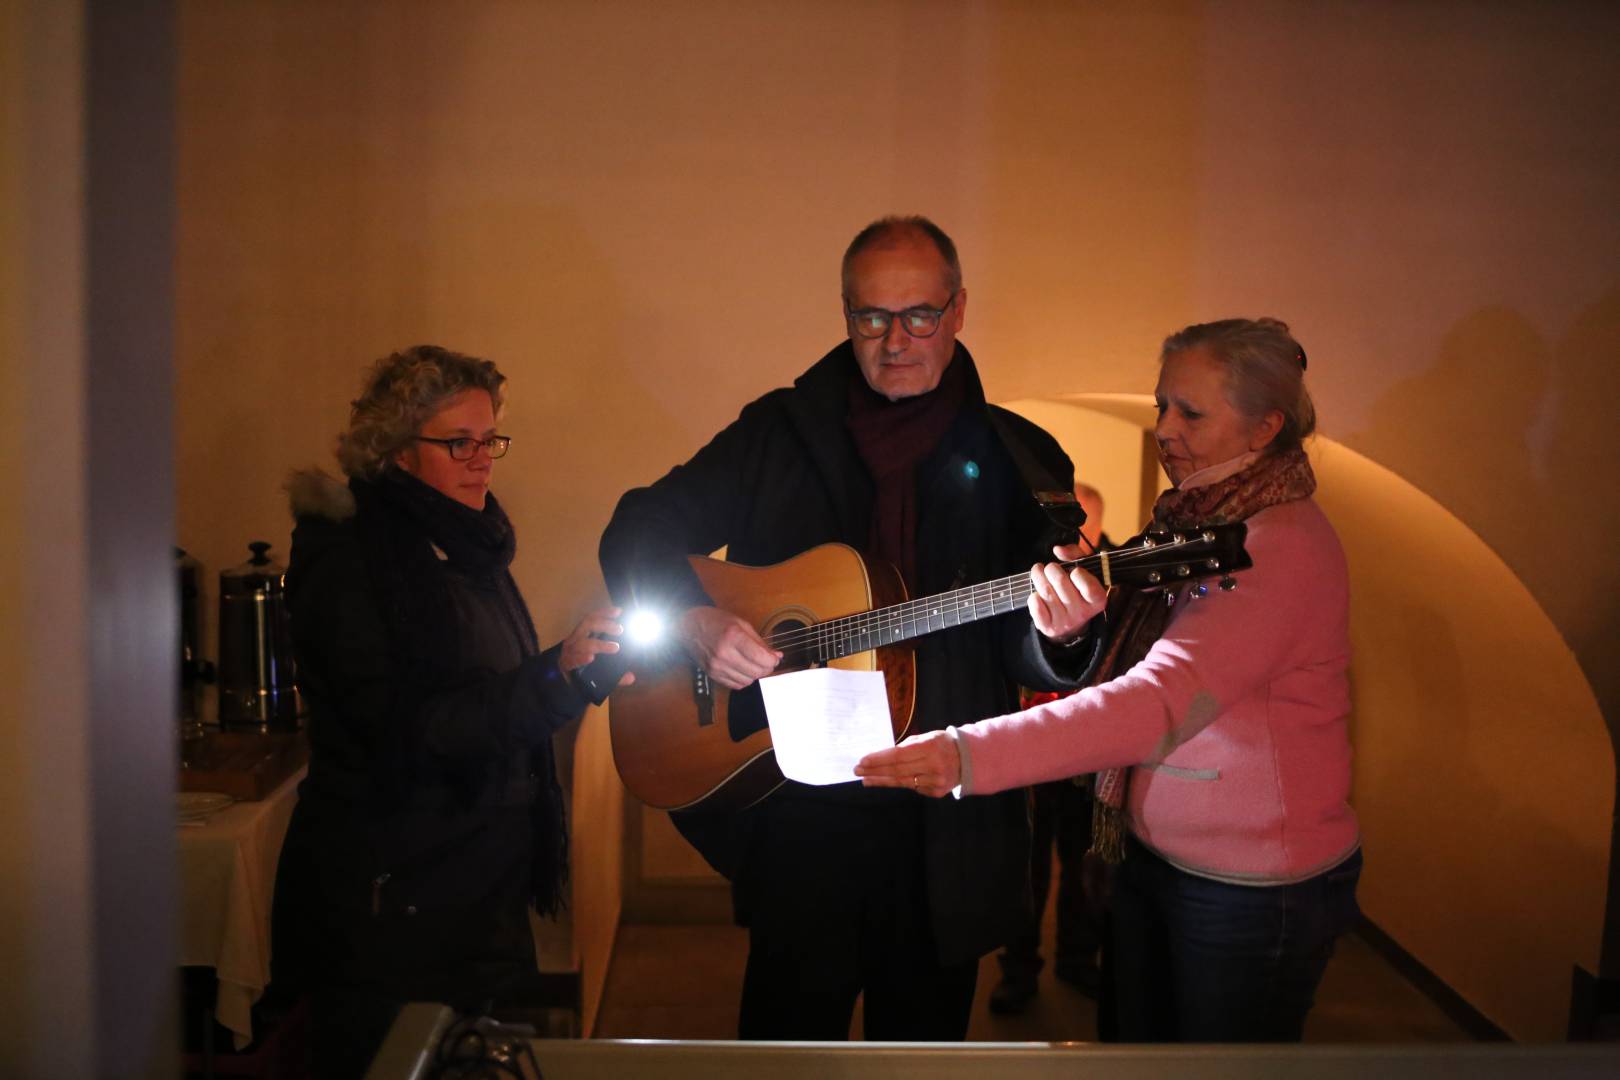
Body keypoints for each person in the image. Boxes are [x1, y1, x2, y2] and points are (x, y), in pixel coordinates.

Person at [598, 216, 1107, 1041]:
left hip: (941, 819)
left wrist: (1064, 635)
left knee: (921, 1054)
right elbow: (638, 526)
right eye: (870, 317)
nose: (895, 341)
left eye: (920, 317)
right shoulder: (779, 432)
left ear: (959, 310)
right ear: (844, 314)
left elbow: (1031, 647)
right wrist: (693, 619)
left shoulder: (1023, 457)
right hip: (799, 818)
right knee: (785, 1050)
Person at [857, 317, 1362, 1043]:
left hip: (1250, 889)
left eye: (1190, 411)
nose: (1164, 428)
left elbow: (1156, 702)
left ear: (1265, 428)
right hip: (1161, 860)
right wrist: (1066, 629)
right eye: (1161, 406)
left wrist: (965, 754)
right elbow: (1124, 653)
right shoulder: (1187, 522)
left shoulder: (1278, 544)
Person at [271, 345, 629, 1077]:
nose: (481, 461)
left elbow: (490, 693)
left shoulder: (466, 545)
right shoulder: (353, 557)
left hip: (474, 883)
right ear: (397, 448)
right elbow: (414, 730)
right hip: (393, 898)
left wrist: (577, 677)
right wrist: (555, 672)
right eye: (456, 443)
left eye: (488, 439)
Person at [989, 482, 1110, 1014]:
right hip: (1030, 741)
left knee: (1083, 856)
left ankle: (1077, 960)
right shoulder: (1027, 576)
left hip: (1089, 747)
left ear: (1098, 530)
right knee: (1025, 861)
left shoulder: (1116, 574)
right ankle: (1018, 968)